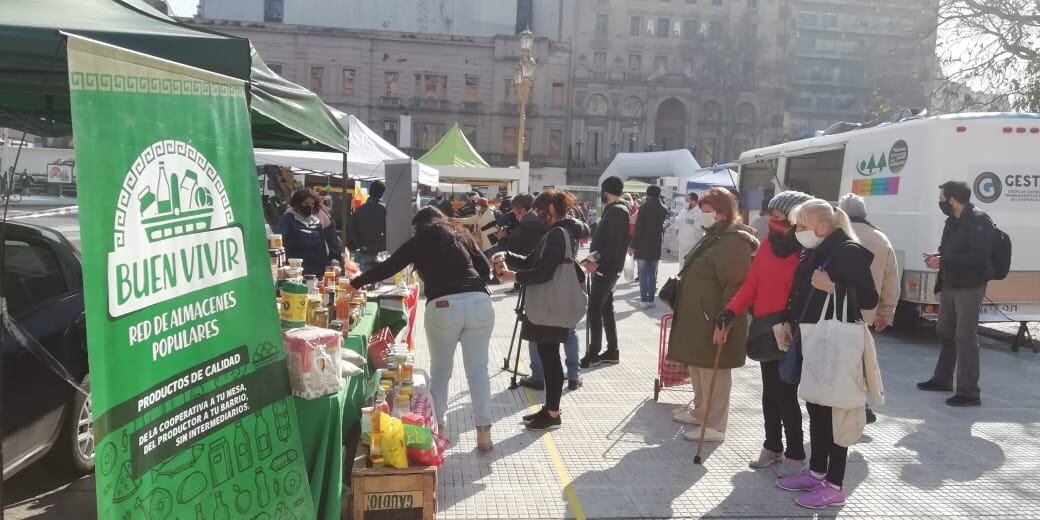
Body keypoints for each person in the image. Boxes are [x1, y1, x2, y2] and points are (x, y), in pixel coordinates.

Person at [347, 207, 496, 451]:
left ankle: (438, 433)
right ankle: (484, 435)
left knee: (440, 372)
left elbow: (389, 267)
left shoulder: (420, 240)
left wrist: (355, 283)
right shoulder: (460, 235)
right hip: (479, 302)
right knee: (478, 370)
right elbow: (486, 270)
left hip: (443, 305)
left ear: (419, 226)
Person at [776, 199, 878, 509]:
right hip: (814, 339)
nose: (798, 231)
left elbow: (869, 298)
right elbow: (802, 291)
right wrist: (788, 321)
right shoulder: (817, 249)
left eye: (802, 226)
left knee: (835, 411)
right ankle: (817, 471)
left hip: (836, 344)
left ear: (822, 226)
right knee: (817, 406)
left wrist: (834, 287)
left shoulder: (847, 251)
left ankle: (834, 484)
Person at [713, 190, 812, 476]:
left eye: (778, 215)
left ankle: (795, 453)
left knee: (787, 393)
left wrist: (795, 322)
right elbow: (751, 285)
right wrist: (731, 310)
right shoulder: (768, 245)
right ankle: (772, 446)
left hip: (791, 331)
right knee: (770, 393)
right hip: (766, 328)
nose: (771, 219)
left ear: (795, 219)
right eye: (770, 213)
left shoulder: (805, 251)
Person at [666, 188, 758, 444]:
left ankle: (715, 424)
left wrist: (725, 321)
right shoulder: (715, 236)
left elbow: (736, 286)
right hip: (699, 316)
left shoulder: (734, 241)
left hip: (715, 318)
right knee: (698, 364)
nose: (702, 216)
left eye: (706, 212)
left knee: (713, 371)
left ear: (722, 213)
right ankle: (700, 412)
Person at [496, 190, 586, 431]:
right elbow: (530, 261)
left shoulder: (557, 234)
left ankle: (553, 412)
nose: (537, 214)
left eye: (540, 210)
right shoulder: (554, 233)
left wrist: (512, 276)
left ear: (553, 209)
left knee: (551, 359)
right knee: (549, 357)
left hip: (551, 305)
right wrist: (507, 254)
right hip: (550, 305)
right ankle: (549, 408)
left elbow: (543, 272)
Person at [917, 181, 995, 407]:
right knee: (945, 331)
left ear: (952, 199)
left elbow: (979, 257)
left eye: (942, 197)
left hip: (970, 286)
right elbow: (948, 251)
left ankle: (969, 392)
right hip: (950, 283)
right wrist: (936, 256)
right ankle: (942, 379)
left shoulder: (980, 221)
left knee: (965, 337)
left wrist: (944, 260)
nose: (940, 201)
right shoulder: (952, 221)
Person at [518, 206, 589, 392]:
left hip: (549, 288)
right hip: (567, 286)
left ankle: (539, 376)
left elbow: (543, 270)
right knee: (569, 330)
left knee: (539, 331)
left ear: (549, 210)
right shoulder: (571, 226)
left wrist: (516, 276)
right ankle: (573, 375)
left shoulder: (555, 232)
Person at [581, 176, 631, 368]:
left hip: (606, 268)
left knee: (595, 309)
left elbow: (617, 244)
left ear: (606, 191)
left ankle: (593, 353)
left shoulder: (617, 210)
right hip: (607, 267)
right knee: (605, 308)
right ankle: (612, 351)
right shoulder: (616, 209)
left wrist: (598, 262)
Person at [275, 189, 342, 276]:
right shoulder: (288, 220)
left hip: (317, 271)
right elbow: (279, 241)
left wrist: (327, 265)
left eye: (312, 204)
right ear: (297, 204)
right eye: (306, 204)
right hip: (296, 270)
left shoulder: (317, 223)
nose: (310, 206)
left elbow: (323, 248)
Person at [629, 185, 669, 308]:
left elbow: (639, 228)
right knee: (652, 274)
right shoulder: (663, 208)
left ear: (647, 194)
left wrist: (632, 245)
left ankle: (643, 300)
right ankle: (651, 300)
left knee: (642, 273)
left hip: (642, 245)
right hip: (656, 244)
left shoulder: (644, 208)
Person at [348, 180, 387, 272]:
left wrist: (360, 246)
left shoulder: (360, 210)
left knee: (364, 281)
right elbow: (389, 231)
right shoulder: (385, 210)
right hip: (381, 252)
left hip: (364, 250)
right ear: (382, 194)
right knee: (380, 282)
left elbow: (352, 231)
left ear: (369, 191)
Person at [674, 192, 703, 260]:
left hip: (693, 243)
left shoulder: (700, 212)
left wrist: (694, 222)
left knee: (690, 262)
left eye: (687, 200)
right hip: (682, 242)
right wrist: (674, 220)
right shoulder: (683, 211)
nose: (685, 202)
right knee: (681, 261)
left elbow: (702, 226)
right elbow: (678, 223)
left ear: (694, 201)